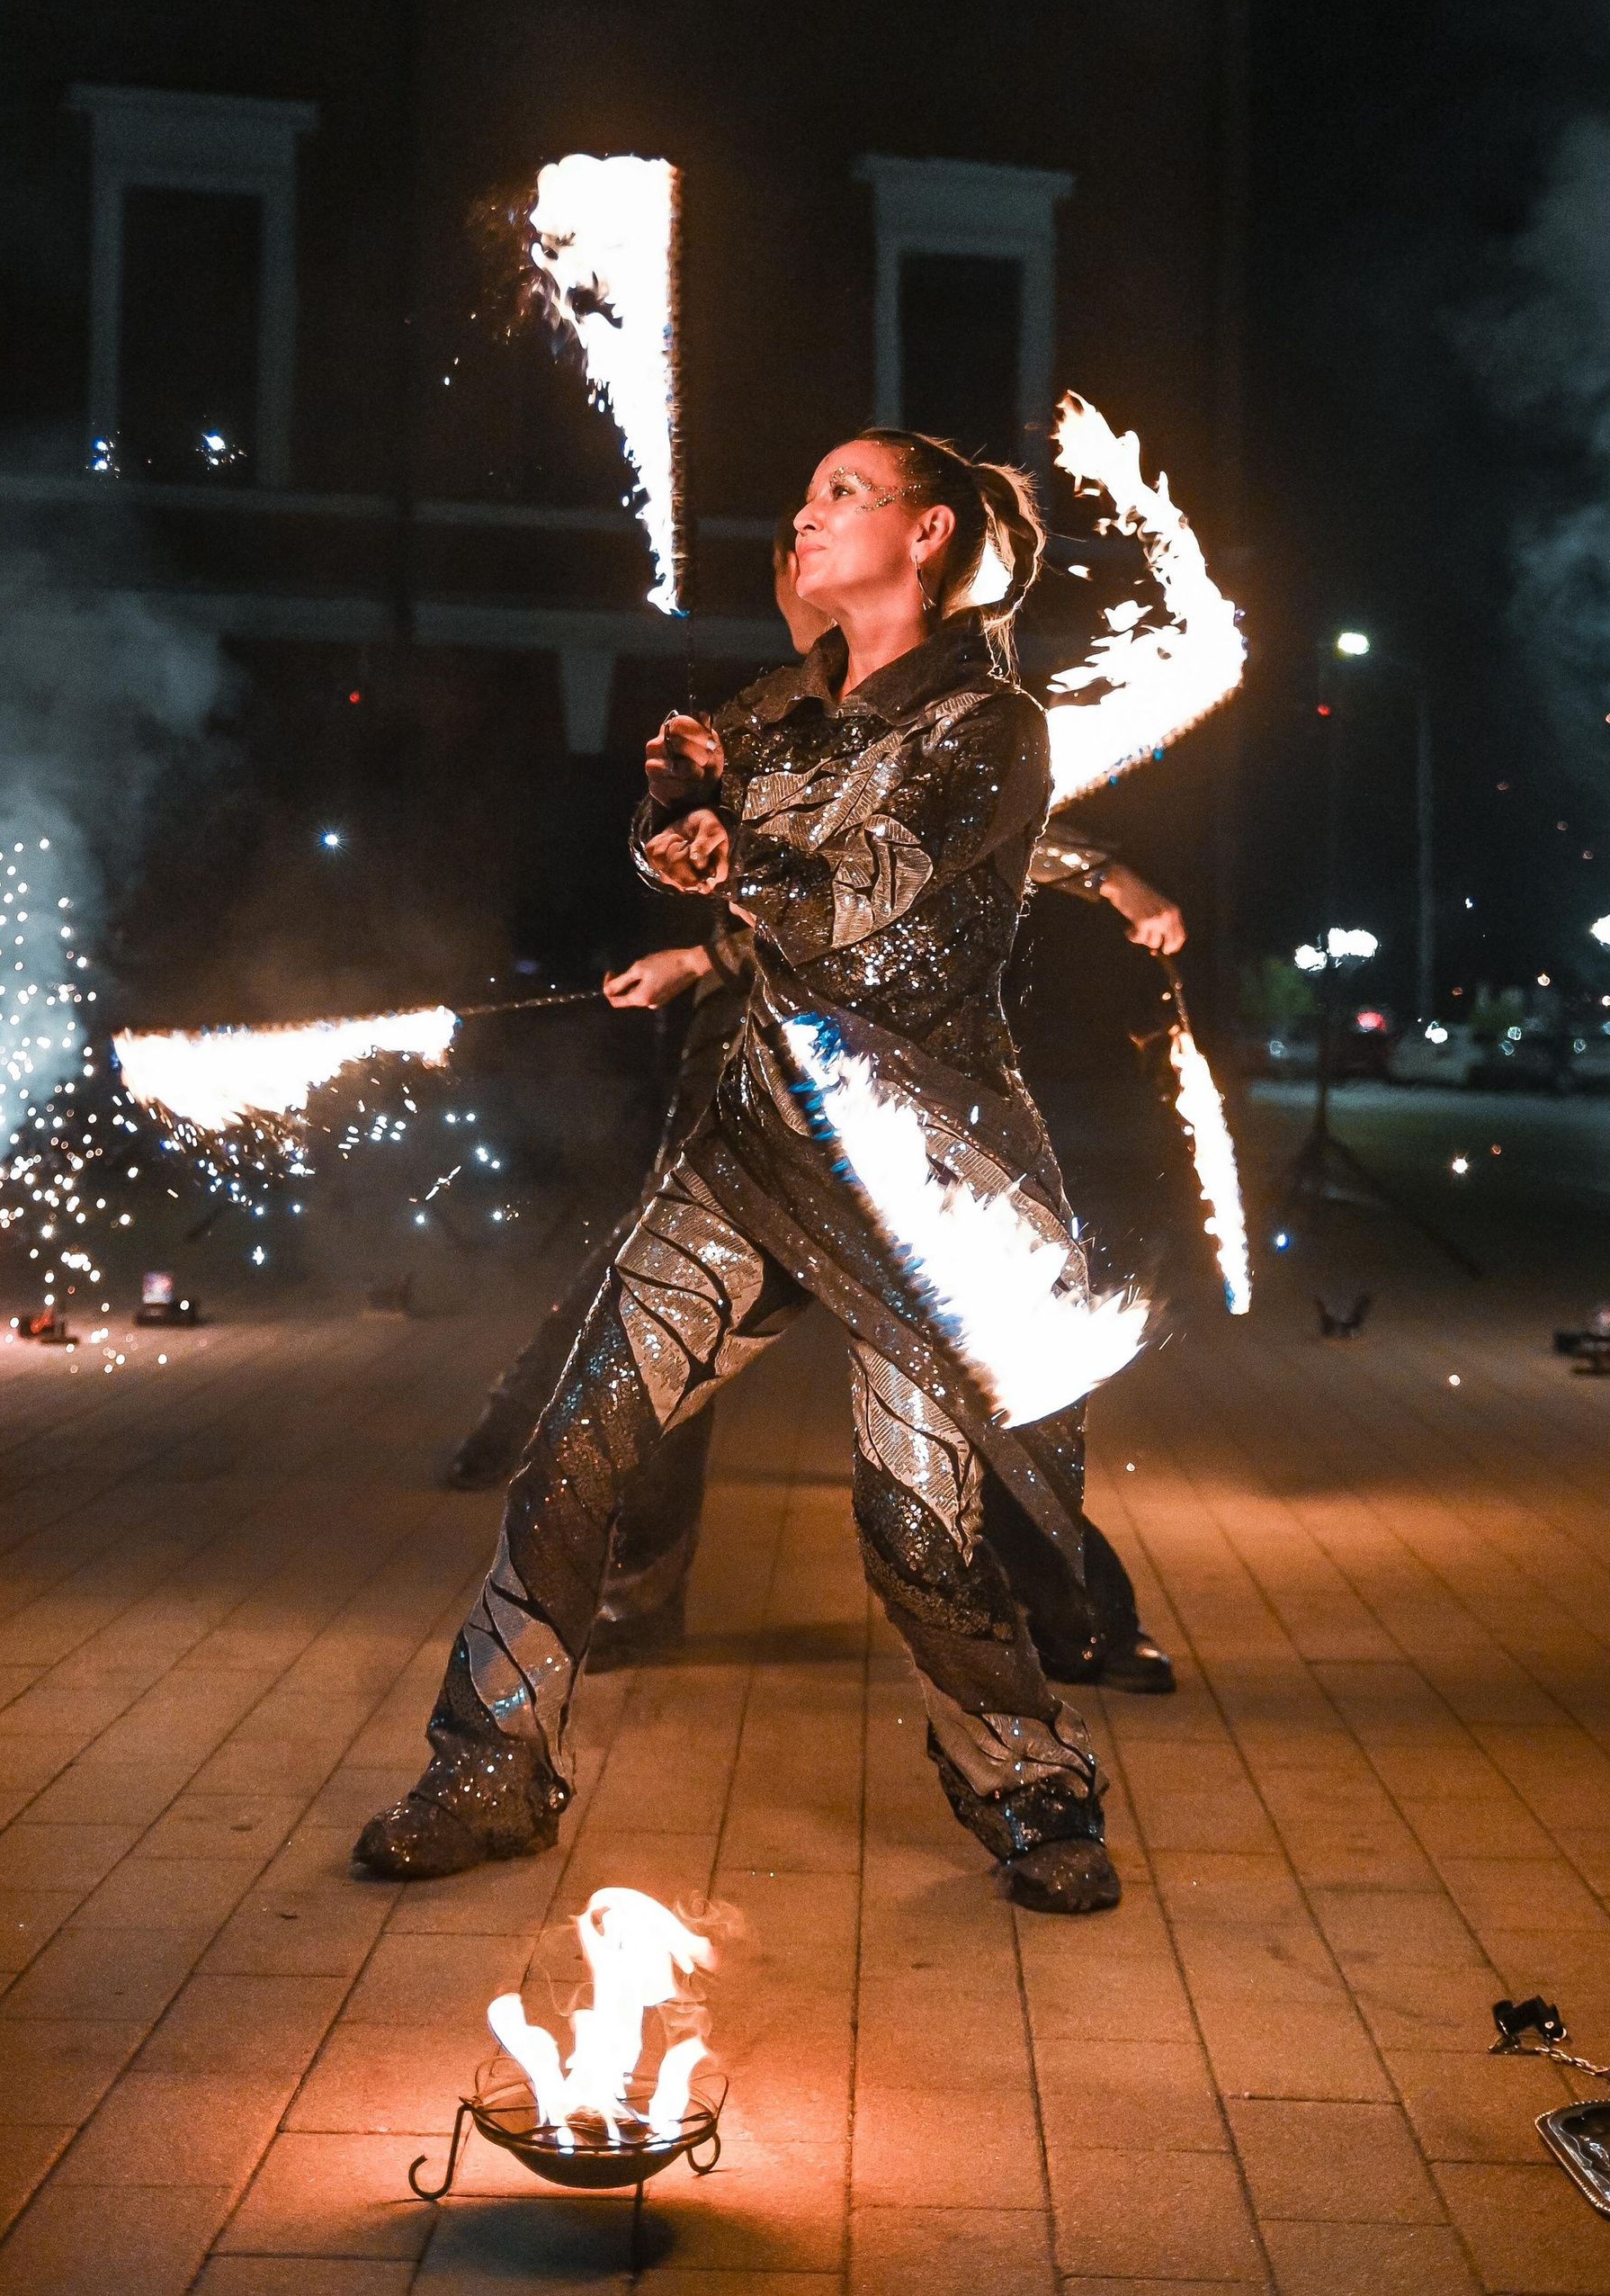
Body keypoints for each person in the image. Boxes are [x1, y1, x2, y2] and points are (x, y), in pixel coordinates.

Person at [357, 430, 1143, 1913]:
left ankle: (1029, 1784)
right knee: (578, 1445)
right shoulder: (770, 707)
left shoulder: (991, 723)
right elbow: (692, 854)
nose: (807, 511)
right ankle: (486, 1768)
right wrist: (673, 809)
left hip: (923, 1185)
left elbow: (875, 911)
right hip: (746, 1148)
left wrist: (728, 863)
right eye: (807, 492)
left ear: (930, 534)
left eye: (845, 491)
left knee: (916, 1529)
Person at [446, 526, 1188, 1698]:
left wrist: (1101, 873)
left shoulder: (945, 711)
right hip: (742, 1080)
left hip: (905, 1095)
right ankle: (637, 1598)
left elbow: (937, 851)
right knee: (664, 1343)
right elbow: (715, 864)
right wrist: (687, 879)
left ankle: (1067, 1615)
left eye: (832, 548)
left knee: (987, 1350)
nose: (809, 584)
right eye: (795, 573)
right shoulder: (759, 718)